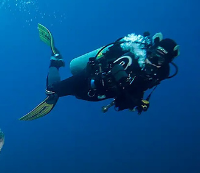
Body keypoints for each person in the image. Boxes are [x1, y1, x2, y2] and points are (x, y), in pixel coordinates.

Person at [20, 24, 180, 120]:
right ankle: (55, 60)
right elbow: (112, 65)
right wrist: (119, 78)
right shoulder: (132, 57)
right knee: (52, 91)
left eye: (159, 60)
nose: (153, 61)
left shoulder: (160, 74)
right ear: (150, 50)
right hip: (88, 79)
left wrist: (136, 102)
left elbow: (134, 91)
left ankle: (58, 68)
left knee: (76, 93)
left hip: (99, 95)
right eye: (152, 55)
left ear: (166, 63)